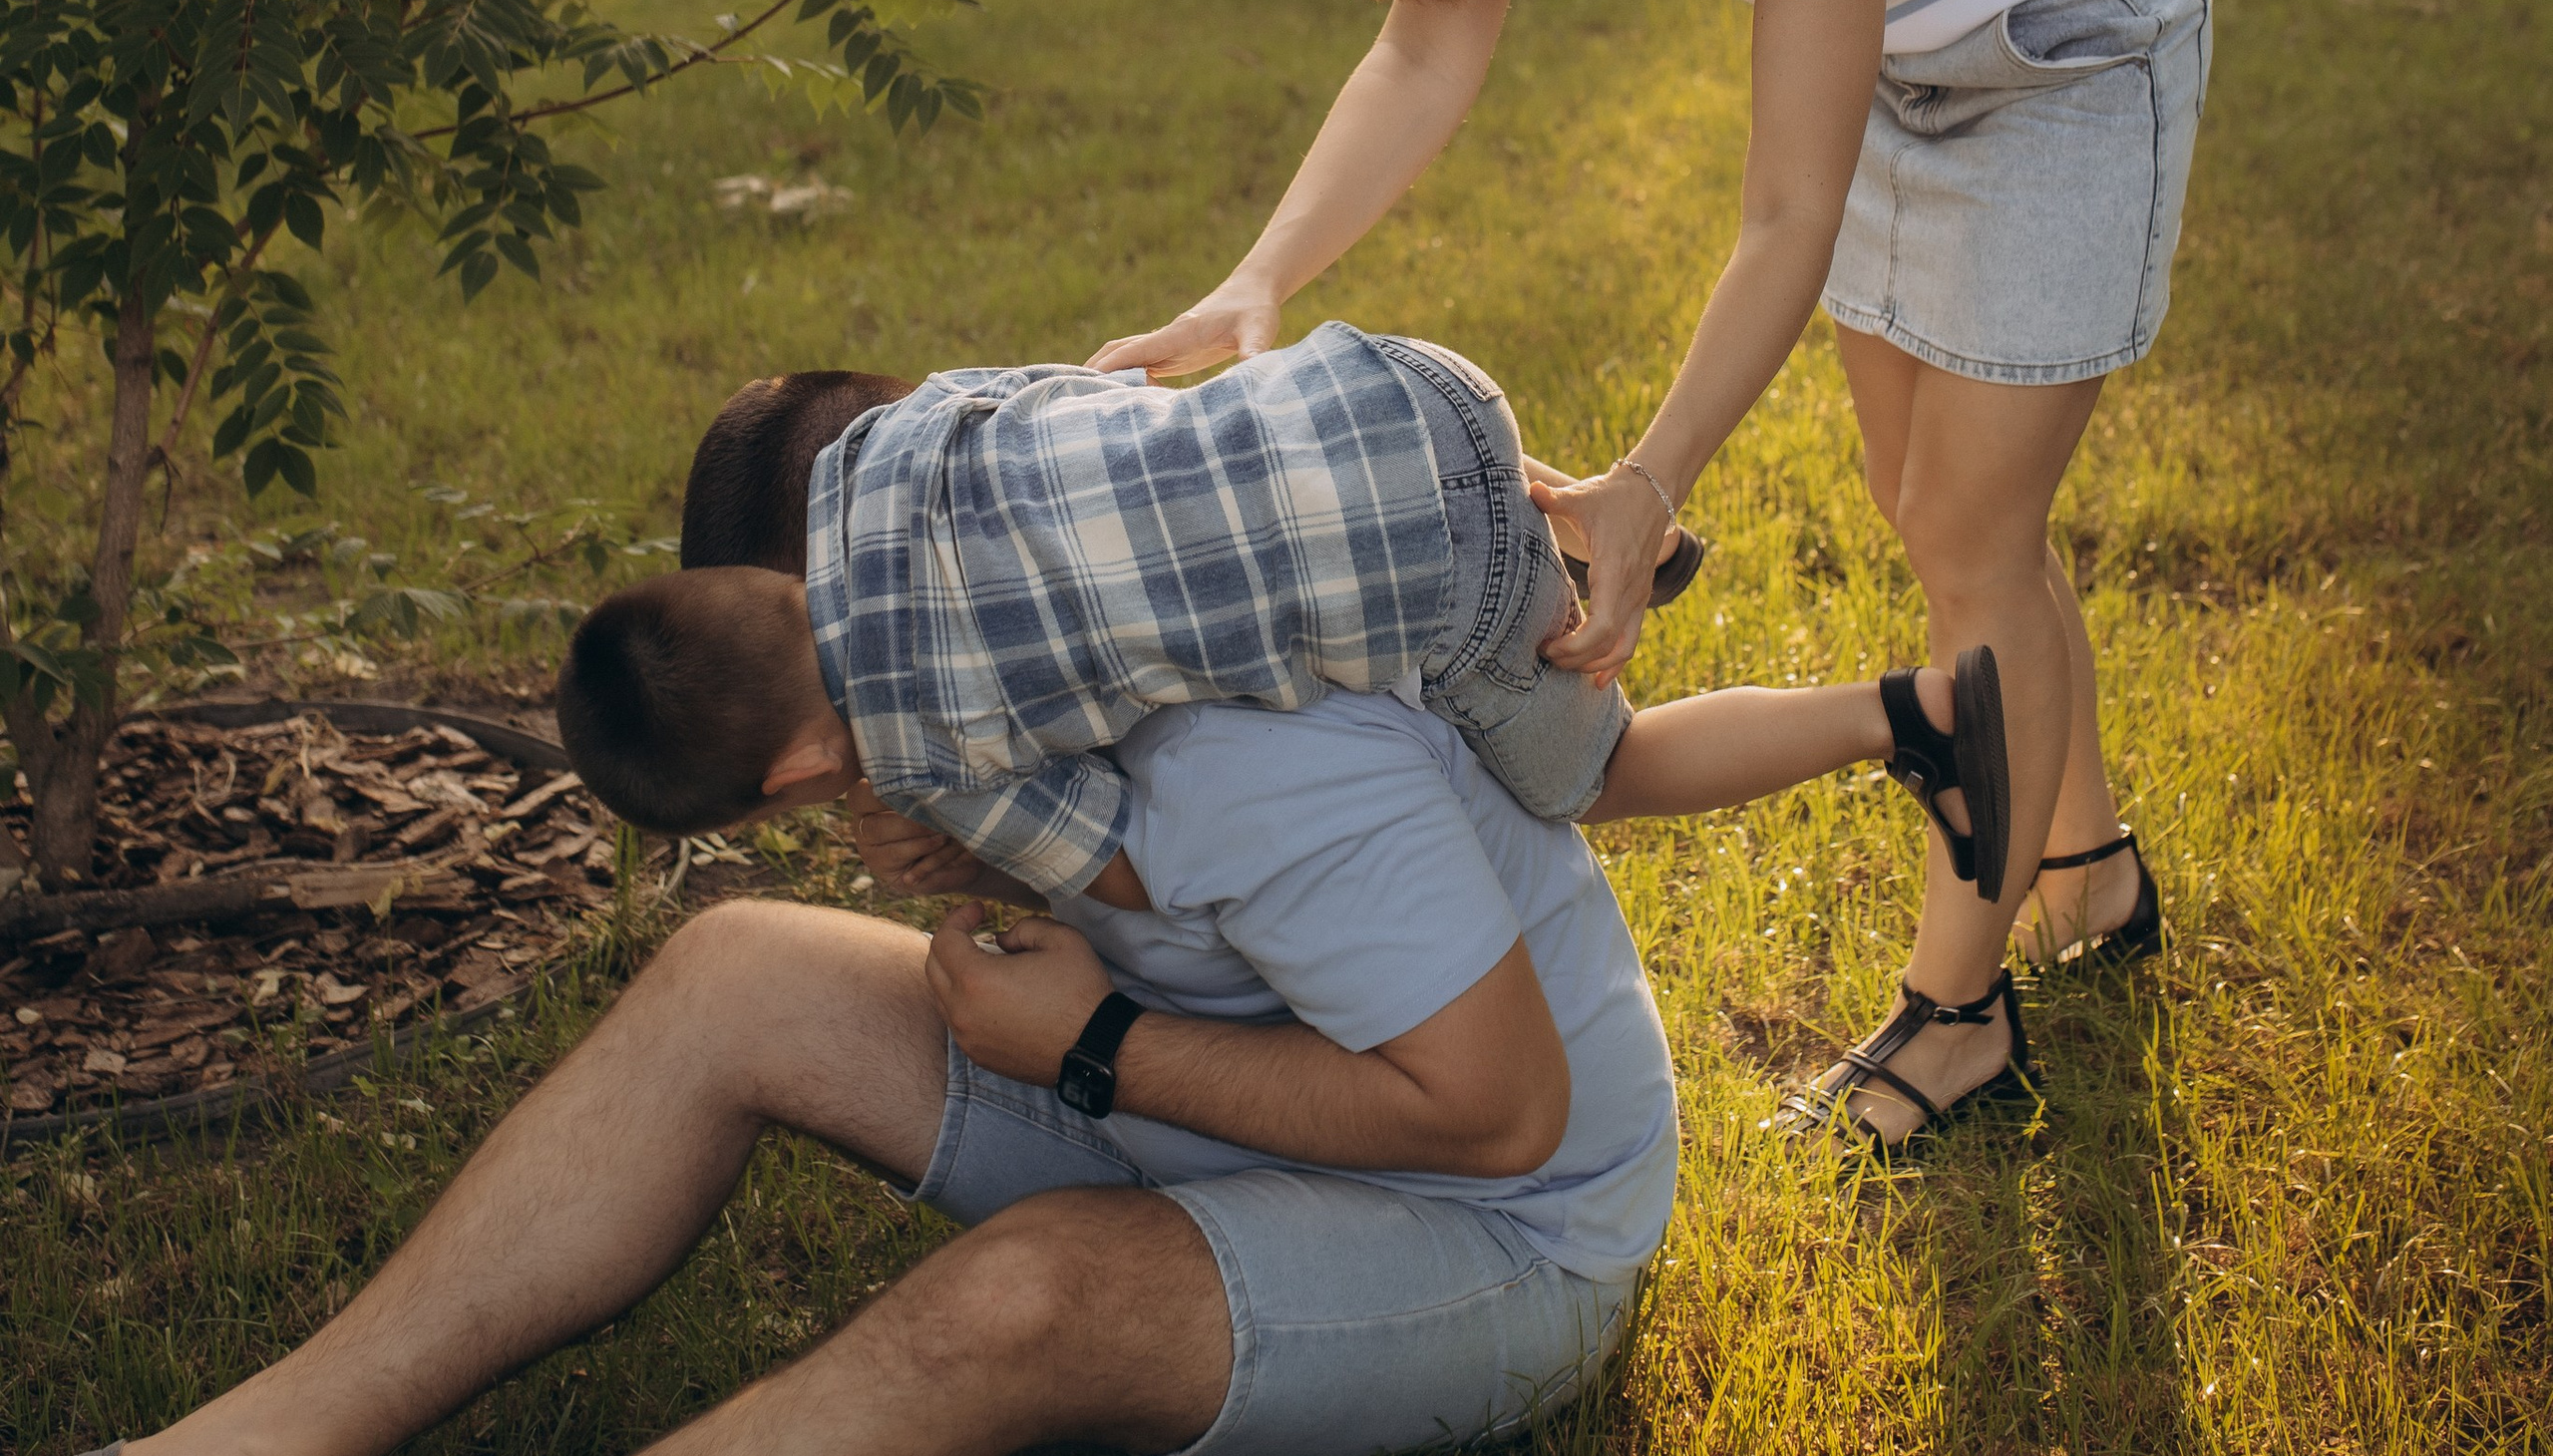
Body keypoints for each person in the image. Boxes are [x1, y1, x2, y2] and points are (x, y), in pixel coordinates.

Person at [0, 607, 1991, 1456]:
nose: (849, 825)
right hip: (1244, 1103)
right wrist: (1058, 978)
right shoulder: (998, 669)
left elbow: (1487, 1115)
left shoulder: (1259, 760)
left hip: (1494, 1224)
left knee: (1017, 1301)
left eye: (830, 780)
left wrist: (1096, 1043)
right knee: (735, 975)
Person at [1089, 0, 2213, 1150]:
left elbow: (1786, 208)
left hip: (2070, 49)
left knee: (1969, 529)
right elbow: (1428, 40)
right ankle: (2090, 870)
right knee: (1931, 507)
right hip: (1907, 60)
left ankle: (1961, 1020)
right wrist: (1259, 282)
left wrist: (1650, 479)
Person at [555, 347, 2009, 936]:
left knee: (1599, 773)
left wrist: (965, 857)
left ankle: (1903, 717)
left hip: (1421, 582)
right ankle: (1573, 523)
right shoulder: (877, 446)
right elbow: (1086, 399)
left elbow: (1135, 870)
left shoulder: (935, 760)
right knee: (1297, 474)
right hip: (1399, 383)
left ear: (798, 775)